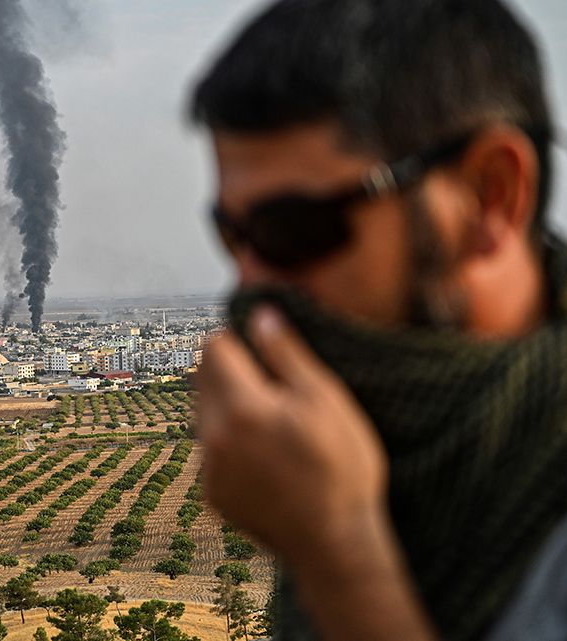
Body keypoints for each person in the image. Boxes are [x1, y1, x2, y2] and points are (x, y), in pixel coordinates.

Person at [189, 1, 567, 640]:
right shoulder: (383, 444)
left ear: (490, 195)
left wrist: (340, 556)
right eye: (232, 235)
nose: (251, 286)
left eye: (294, 229)